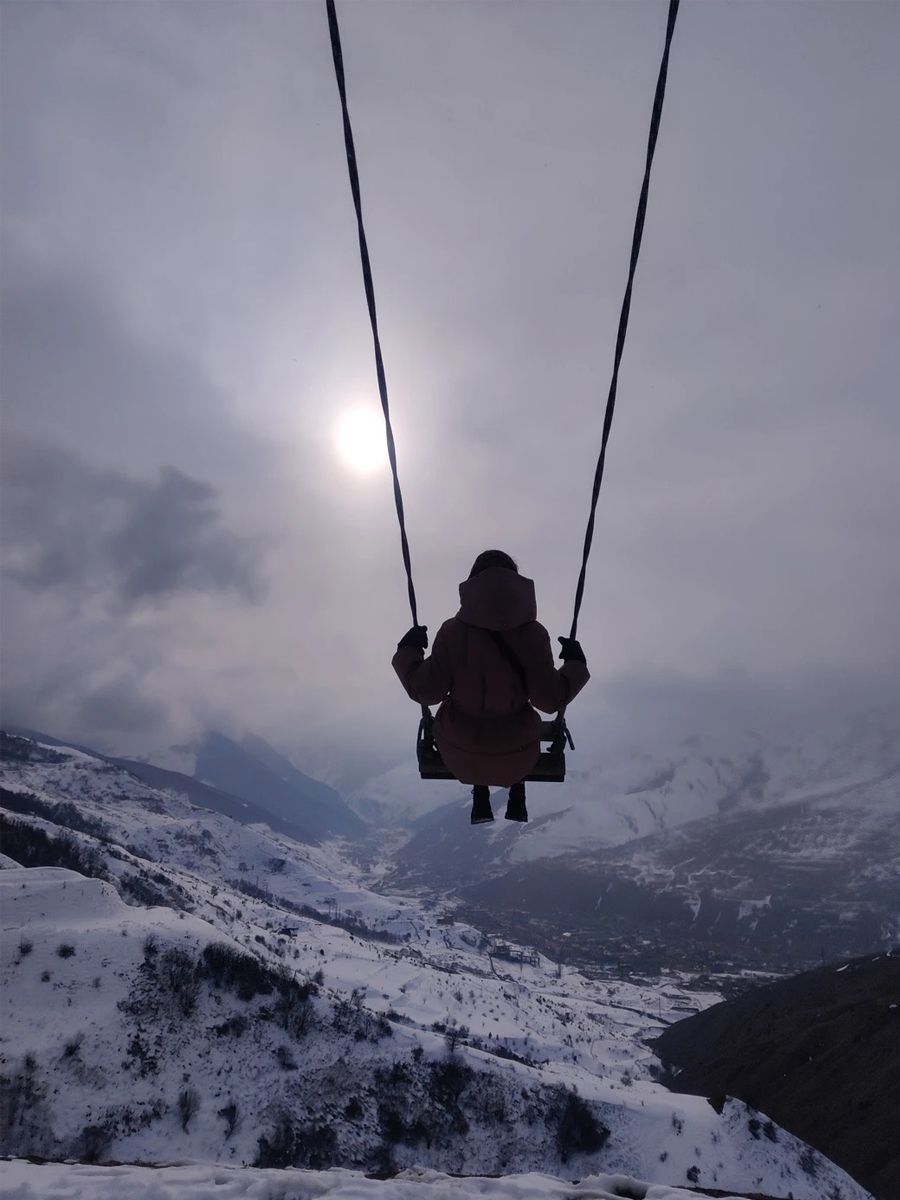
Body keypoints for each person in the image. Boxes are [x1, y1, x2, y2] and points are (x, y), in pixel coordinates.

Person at [392, 550, 589, 825]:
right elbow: (550, 700)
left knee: (466, 715)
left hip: (460, 755)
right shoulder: (534, 635)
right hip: (519, 755)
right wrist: (575, 663)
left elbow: (425, 691)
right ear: (517, 586)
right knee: (514, 719)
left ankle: (480, 790)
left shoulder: (452, 632)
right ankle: (516, 787)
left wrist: (408, 649)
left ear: (472, 585)